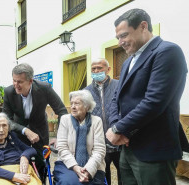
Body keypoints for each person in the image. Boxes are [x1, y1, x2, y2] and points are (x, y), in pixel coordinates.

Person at [106, 9, 188, 185]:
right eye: (118, 38)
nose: (120, 42)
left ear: (143, 26)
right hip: (127, 147)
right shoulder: (128, 61)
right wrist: (115, 126)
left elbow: (154, 102)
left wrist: (117, 129)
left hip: (154, 149)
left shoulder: (167, 52)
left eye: (124, 35)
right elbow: (116, 98)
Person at [3, 63, 68, 178]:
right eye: (14, 80)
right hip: (19, 131)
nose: (15, 85)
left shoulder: (45, 88)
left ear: (30, 81)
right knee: (20, 162)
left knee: (41, 163)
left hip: (40, 130)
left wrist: (60, 136)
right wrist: (25, 130)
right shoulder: (9, 92)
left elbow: (62, 110)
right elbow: (6, 119)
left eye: (20, 82)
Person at [54, 90, 106, 185]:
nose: (72, 107)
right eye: (71, 103)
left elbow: (100, 150)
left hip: (93, 166)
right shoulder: (65, 120)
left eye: (77, 103)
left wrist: (88, 171)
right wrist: (75, 167)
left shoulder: (96, 121)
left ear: (87, 106)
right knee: (71, 182)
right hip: (67, 164)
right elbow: (62, 147)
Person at [0, 113, 41, 185]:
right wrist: (13, 176)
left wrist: (24, 156)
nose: (1, 130)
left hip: (20, 171)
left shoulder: (11, 137)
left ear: (8, 127)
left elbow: (31, 150)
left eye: (4, 125)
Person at [84, 58, 121, 185]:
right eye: (93, 69)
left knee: (124, 174)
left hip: (119, 139)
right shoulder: (86, 91)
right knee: (103, 176)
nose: (96, 71)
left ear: (108, 69)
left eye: (99, 68)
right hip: (98, 143)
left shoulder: (119, 85)